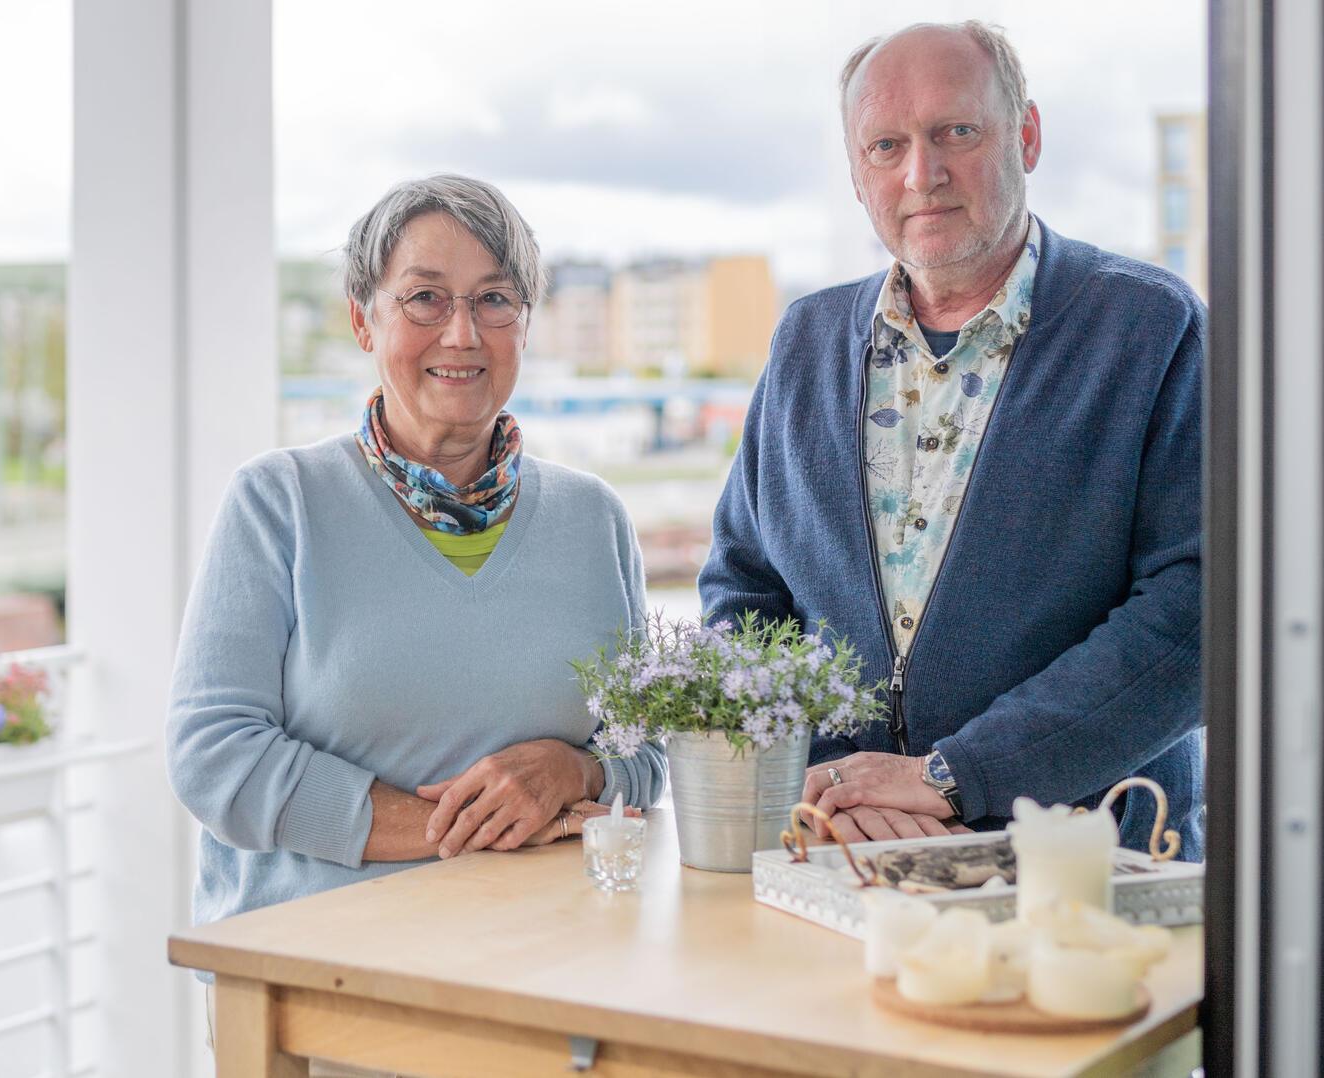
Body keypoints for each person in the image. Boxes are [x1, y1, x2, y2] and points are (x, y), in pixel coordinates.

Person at [698, 21, 1202, 855]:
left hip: (1089, 863)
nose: (920, 174)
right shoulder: (806, 342)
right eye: (886, 145)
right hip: (840, 851)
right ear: (857, 175)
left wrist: (955, 775)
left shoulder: (1151, 328)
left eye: (955, 133)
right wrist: (832, 781)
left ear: (1027, 136)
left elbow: (1194, 615)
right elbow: (744, 597)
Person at [168, 173, 665, 949]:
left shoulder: (593, 517)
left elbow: (648, 754)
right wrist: (450, 829)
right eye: (425, 298)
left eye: (495, 299)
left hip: (551, 969)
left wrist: (578, 773)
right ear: (365, 322)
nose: (462, 333)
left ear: (527, 325)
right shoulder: (279, 503)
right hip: (316, 978)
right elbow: (214, 755)